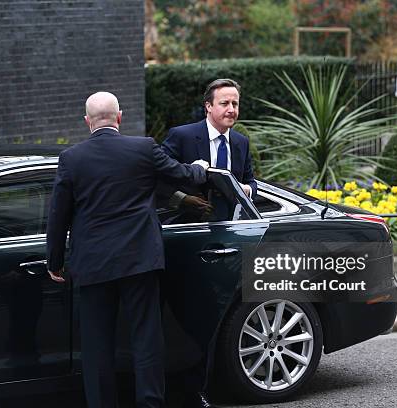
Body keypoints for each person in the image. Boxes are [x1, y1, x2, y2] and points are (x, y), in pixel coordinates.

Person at [46, 92, 209, 408]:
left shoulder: (72, 158)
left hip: (93, 265)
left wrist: (55, 260)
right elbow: (183, 174)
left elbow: (58, 214)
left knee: (96, 346)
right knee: (146, 340)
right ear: (119, 117)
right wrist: (201, 169)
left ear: (87, 121)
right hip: (139, 262)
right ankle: (150, 403)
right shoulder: (143, 148)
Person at [162, 78, 257, 214]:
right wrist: (183, 199)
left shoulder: (241, 142)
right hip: (188, 225)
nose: (231, 109)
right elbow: (158, 177)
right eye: (224, 103)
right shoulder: (182, 136)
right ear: (209, 106)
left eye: (235, 104)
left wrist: (247, 190)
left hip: (232, 225)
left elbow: (251, 181)